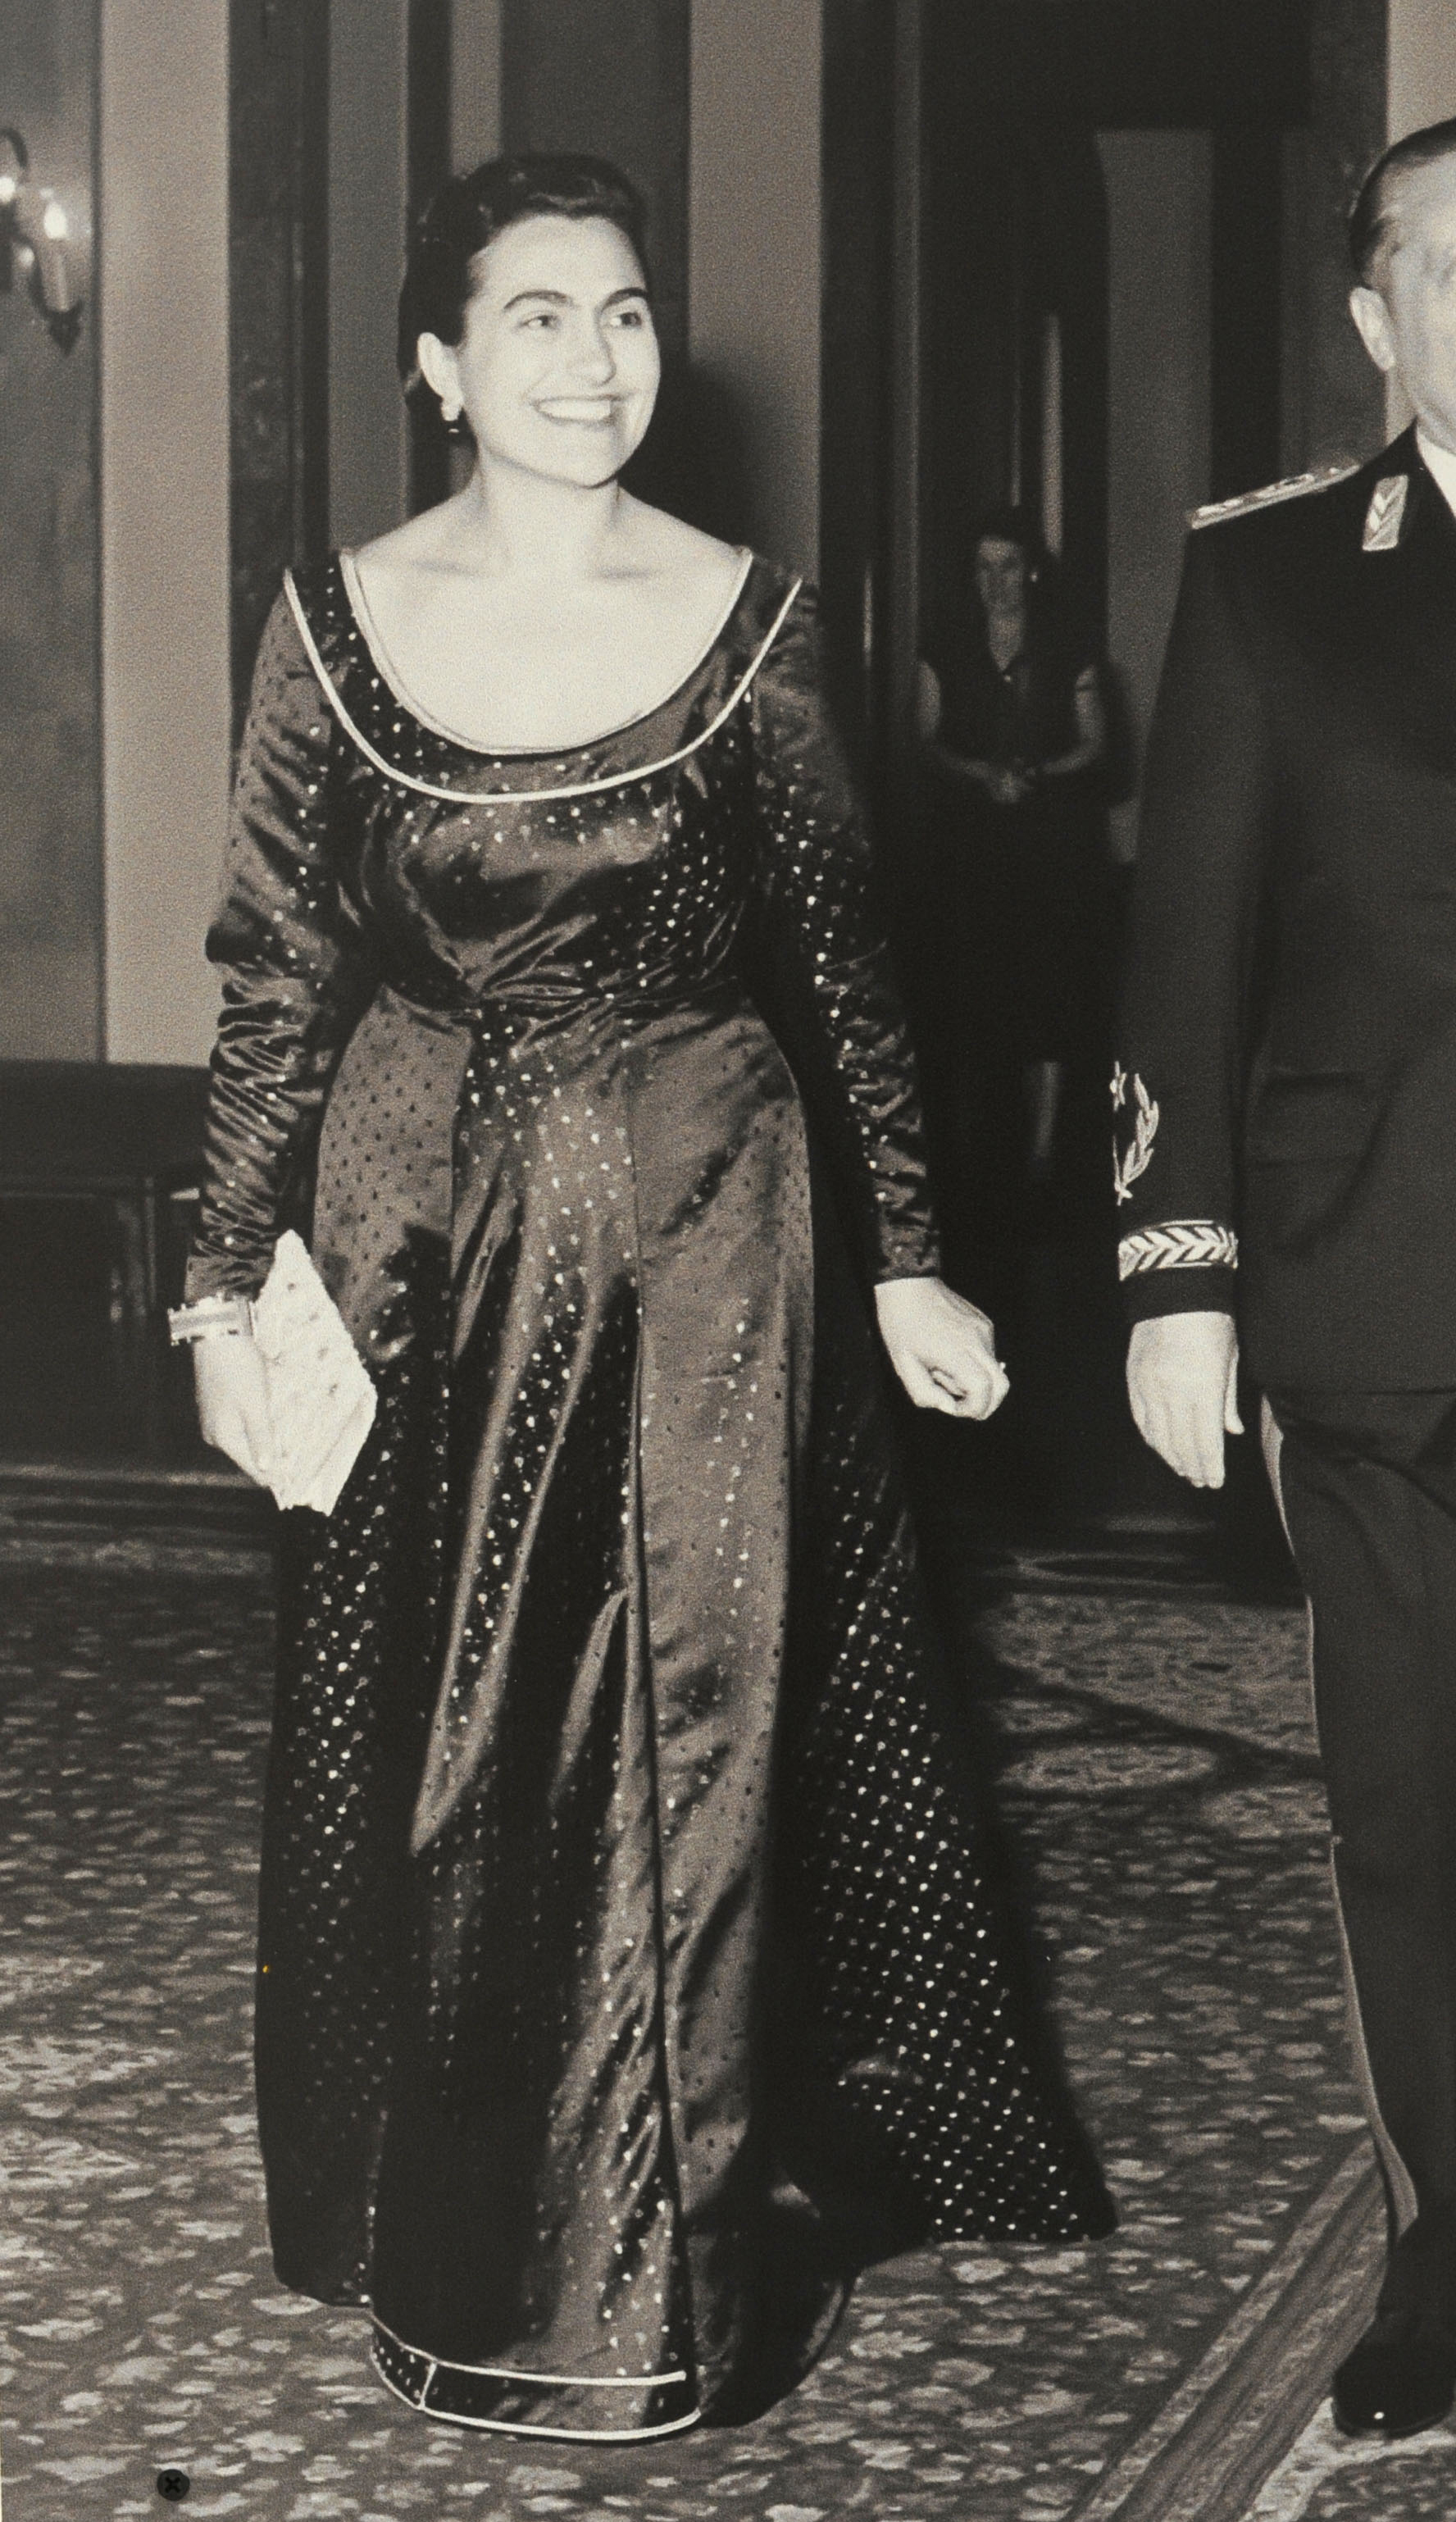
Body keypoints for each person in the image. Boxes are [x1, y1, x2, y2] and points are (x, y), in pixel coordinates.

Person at [172, 153, 1112, 2442]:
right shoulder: (330, 621)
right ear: (437, 364)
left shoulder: (748, 621)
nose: (594, 360)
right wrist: (215, 1293)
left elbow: (846, 968)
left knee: (692, 1714)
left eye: (622, 313)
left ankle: (676, 2250)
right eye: (536, 317)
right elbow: (273, 979)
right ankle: (437, 2203)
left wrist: (908, 1260)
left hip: (701, 1215)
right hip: (409, 1232)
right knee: (439, 1729)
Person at [1119, 116, 1456, 2443]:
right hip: (1373, 1293)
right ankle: (1448, 2260)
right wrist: (1178, 1274)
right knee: (1411, 1805)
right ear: (1373, 318)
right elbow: (1185, 952)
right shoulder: (1266, 584)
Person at [915, 512, 1108, 1267]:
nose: (995, 582)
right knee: (972, 993)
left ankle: (1041, 1159)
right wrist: (979, 775)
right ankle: (968, 1160)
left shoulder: (1067, 649)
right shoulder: (946, 648)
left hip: (1049, 849)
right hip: (969, 850)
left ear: (1030, 570)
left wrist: (1038, 776)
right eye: (982, 567)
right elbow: (923, 738)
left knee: (1048, 995)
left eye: (1007, 566)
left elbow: (1097, 743)